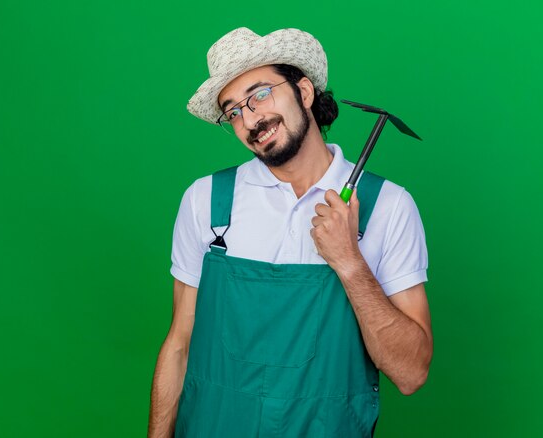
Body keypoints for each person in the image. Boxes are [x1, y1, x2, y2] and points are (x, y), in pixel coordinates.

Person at [148, 27, 433, 438]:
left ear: (304, 91)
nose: (250, 120)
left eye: (260, 94)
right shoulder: (206, 201)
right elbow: (179, 345)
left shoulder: (389, 207)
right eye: (233, 111)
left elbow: (411, 373)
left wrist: (349, 262)